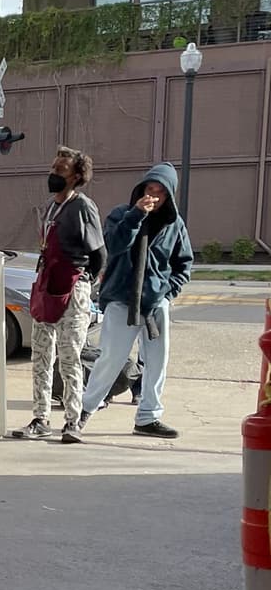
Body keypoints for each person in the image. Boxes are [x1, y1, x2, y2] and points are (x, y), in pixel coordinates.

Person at [74, 160, 192, 441]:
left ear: (169, 196)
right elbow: (114, 246)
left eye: (160, 191)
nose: (153, 195)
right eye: (149, 188)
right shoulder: (121, 214)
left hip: (155, 303)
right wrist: (136, 215)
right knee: (110, 359)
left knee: (157, 362)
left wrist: (168, 292)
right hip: (121, 299)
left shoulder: (174, 225)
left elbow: (183, 263)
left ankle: (149, 417)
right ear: (140, 190)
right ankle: (83, 413)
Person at [11, 147, 104, 443]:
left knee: (69, 357)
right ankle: (40, 418)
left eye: (60, 170)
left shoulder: (83, 207)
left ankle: (73, 421)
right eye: (53, 167)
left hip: (72, 288)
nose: (53, 174)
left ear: (76, 177)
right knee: (40, 354)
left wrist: (85, 281)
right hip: (46, 286)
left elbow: (99, 253)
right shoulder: (50, 206)